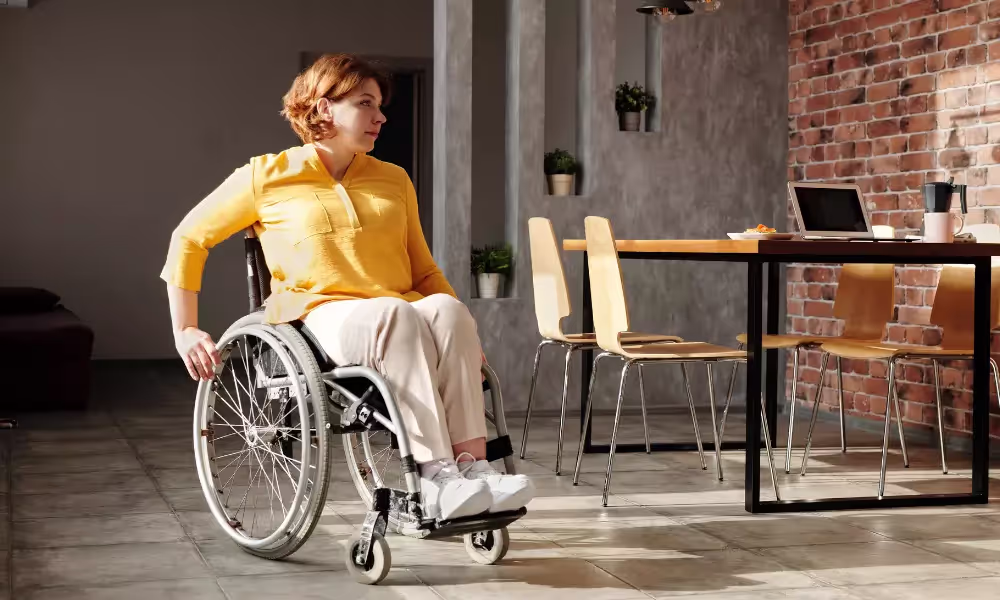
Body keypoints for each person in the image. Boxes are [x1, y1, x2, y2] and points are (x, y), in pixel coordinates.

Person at [160, 54, 533, 521]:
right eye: (365, 103)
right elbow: (189, 238)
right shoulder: (266, 176)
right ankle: (435, 475)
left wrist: (465, 331)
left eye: (379, 104)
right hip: (321, 317)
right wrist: (185, 329)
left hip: (397, 311)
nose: (381, 116)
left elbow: (423, 271)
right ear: (322, 108)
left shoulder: (393, 179)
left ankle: (473, 470)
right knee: (394, 314)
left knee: (449, 311)